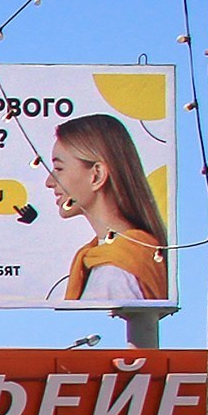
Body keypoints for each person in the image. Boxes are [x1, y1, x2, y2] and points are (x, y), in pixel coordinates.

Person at [47, 113, 168, 302]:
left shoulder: (115, 272)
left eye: (59, 169)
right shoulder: (123, 257)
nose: (49, 182)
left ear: (97, 175)